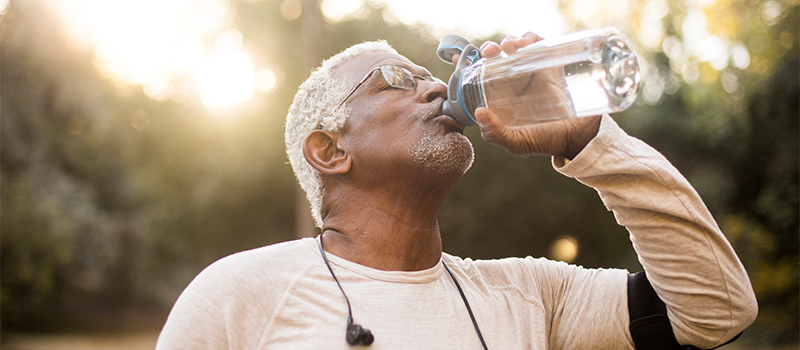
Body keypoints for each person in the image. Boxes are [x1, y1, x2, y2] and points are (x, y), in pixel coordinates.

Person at [156, 33, 758, 349]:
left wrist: (590, 141)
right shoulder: (239, 297)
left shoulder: (529, 295)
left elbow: (717, 310)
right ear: (330, 151)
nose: (432, 89)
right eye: (396, 79)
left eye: (429, 75)